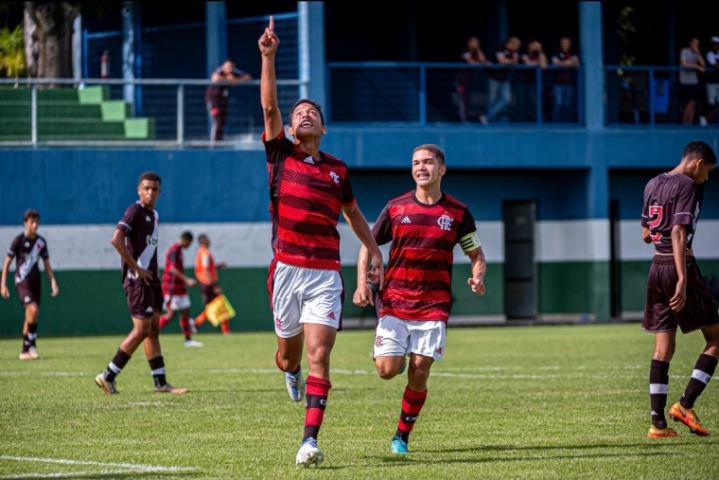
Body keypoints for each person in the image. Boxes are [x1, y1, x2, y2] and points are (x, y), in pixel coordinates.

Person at [259, 16, 383, 466]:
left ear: (323, 128)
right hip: (286, 270)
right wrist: (268, 57)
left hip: (324, 274)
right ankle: (287, 371)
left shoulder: (338, 171)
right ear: (290, 129)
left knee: (319, 353)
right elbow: (269, 109)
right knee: (287, 354)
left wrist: (373, 250)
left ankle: (309, 440)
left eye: (312, 112)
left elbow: (353, 215)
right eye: (299, 113)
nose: (304, 113)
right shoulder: (280, 155)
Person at [353, 144, 487, 455]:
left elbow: (476, 254)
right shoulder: (396, 208)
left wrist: (478, 276)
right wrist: (362, 284)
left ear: (442, 170)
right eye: (416, 163)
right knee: (387, 370)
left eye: (428, 162)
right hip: (396, 301)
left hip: (434, 304)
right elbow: (366, 244)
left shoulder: (458, 213)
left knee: (420, 371)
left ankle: (401, 435)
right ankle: (393, 357)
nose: (421, 167)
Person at [641, 141, 718, 438]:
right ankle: (686, 404)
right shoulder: (687, 184)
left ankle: (657, 424)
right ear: (698, 163)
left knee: (663, 348)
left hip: (655, 268)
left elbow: (647, 234)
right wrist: (683, 279)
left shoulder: (652, 183)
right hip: (677, 266)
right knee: (716, 338)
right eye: (708, 172)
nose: (706, 179)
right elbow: (677, 230)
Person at [95, 172, 187, 396]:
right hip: (138, 280)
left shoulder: (153, 215)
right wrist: (136, 269)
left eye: (154, 189)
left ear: (160, 192)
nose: (150, 192)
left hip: (152, 281)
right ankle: (107, 376)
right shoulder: (135, 210)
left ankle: (160, 383)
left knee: (153, 330)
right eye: (146, 188)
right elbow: (116, 239)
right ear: (139, 189)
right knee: (141, 330)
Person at [1, 209, 59, 360]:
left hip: (36, 282)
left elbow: (46, 264)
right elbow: (7, 262)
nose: (35, 225)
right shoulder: (18, 241)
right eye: (32, 222)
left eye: (37, 222)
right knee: (32, 309)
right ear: (25, 223)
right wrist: (3, 283)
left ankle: (24, 351)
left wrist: (53, 281)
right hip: (22, 280)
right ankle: (31, 346)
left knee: (31, 314)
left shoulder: (41, 242)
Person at [159, 231, 202, 347]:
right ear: (185, 240)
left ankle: (188, 340)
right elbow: (172, 269)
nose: (189, 246)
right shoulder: (174, 250)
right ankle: (149, 333)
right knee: (170, 314)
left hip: (180, 288)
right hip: (171, 288)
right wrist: (187, 280)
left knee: (185, 312)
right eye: (189, 243)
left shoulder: (180, 252)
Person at [206, 59, 253, 142]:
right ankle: (214, 143)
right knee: (217, 121)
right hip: (213, 101)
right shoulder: (219, 71)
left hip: (224, 101)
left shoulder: (235, 72)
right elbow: (215, 78)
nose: (229, 69)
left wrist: (235, 80)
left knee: (222, 121)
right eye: (227, 67)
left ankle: (219, 140)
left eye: (231, 67)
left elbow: (248, 77)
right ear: (223, 66)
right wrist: (228, 79)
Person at [193, 233, 230, 334]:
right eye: (207, 239)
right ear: (203, 241)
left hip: (205, 283)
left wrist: (217, 266)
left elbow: (207, 267)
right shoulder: (205, 253)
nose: (209, 241)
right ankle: (196, 323)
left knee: (213, 307)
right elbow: (205, 270)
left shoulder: (200, 252)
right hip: (208, 284)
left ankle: (195, 323)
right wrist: (214, 285)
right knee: (219, 305)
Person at [482, 36, 521, 124]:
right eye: (517, 45)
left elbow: (514, 63)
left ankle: (487, 116)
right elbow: (502, 61)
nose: (517, 48)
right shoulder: (500, 48)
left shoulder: (513, 52)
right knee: (492, 99)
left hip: (504, 78)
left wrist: (510, 60)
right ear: (512, 43)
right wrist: (510, 61)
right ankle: (488, 119)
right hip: (494, 77)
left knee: (506, 99)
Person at [456, 36, 489, 122]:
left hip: (469, 78)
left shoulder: (475, 52)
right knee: (462, 99)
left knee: (468, 98)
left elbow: (483, 59)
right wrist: (482, 64)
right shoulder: (464, 50)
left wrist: (478, 49)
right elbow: (471, 63)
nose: (475, 44)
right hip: (460, 79)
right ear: (469, 42)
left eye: (477, 42)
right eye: (474, 42)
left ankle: (465, 117)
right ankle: (463, 119)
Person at [550, 37, 580, 122]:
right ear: (561, 44)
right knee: (558, 104)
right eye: (564, 43)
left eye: (567, 43)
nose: (565, 45)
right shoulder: (556, 53)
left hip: (569, 83)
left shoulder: (573, 53)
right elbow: (555, 63)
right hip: (558, 83)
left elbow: (577, 63)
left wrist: (564, 63)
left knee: (568, 104)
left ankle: (567, 122)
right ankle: (555, 122)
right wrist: (568, 63)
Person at [679, 38, 706, 125]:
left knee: (693, 103)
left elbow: (703, 64)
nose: (696, 45)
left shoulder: (697, 53)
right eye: (694, 43)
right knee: (690, 102)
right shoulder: (684, 51)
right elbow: (684, 64)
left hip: (694, 81)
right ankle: (684, 122)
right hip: (684, 80)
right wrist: (697, 67)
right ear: (690, 43)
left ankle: (689, 123)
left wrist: (698, 52)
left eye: (697, 43)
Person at [705, 36, 719, 123]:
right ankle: (707, 120)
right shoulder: (709, 54)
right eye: (714, 44)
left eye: (717, 44)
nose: (716, 46)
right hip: (711, 82)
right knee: (711, 103)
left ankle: (712, 120)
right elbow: (716, 66)